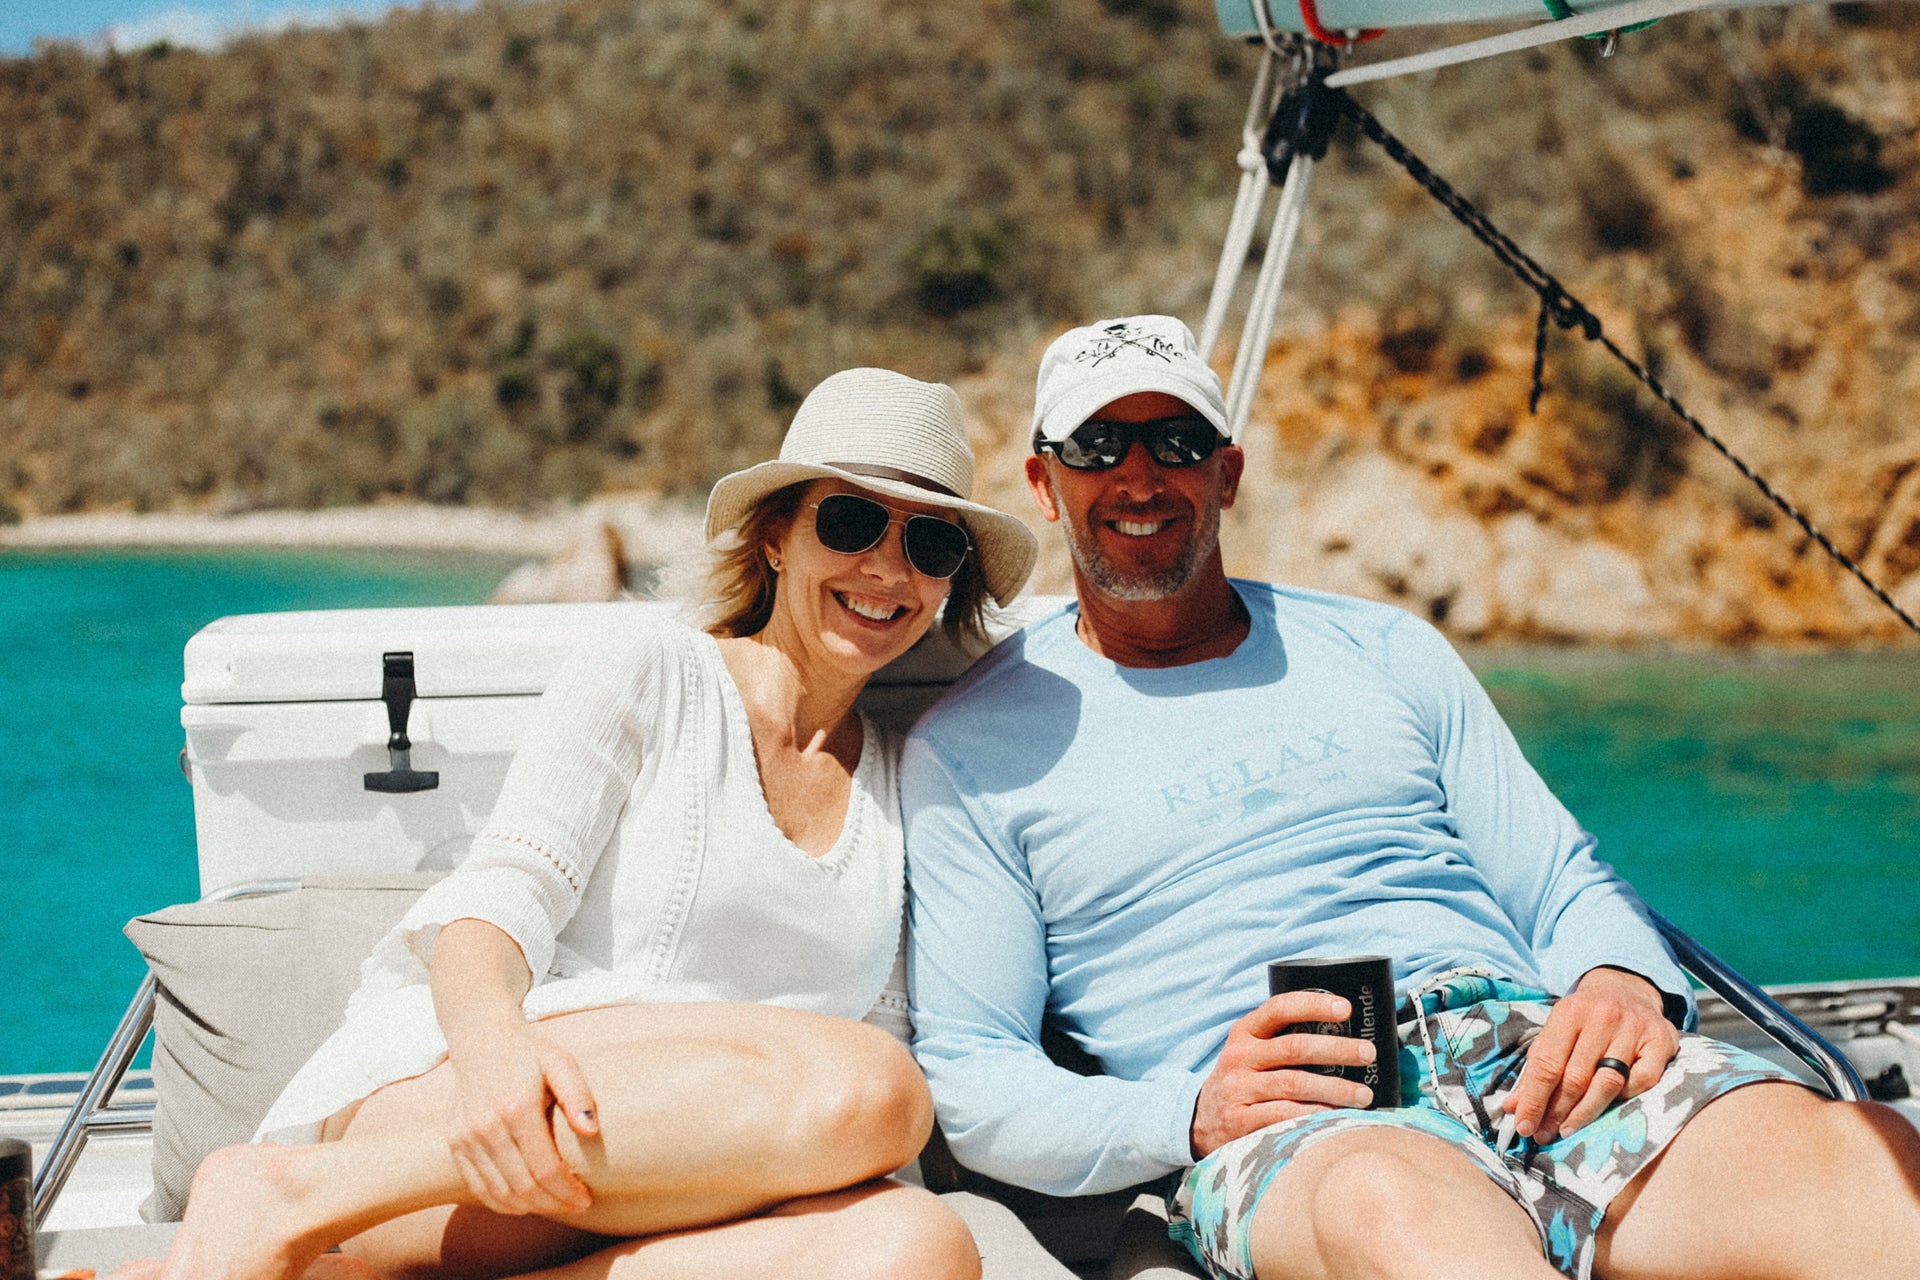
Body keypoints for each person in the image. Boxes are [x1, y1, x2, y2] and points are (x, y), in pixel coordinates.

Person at [902, 315, 1920, 1280]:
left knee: (1854, 1158)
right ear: (1043, 481)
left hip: (1529, 1051)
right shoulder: (971, 746)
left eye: (1175, 440)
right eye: (1095, 444)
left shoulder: (1388, 648)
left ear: (1228, 472)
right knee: (1394, 1204)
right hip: (1299, 1125)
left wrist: (1622, 978)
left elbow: (1560, 878)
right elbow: (976, 1072)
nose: (1138, 474)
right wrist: (1191, 1112)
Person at [119, 367, 1039, 1280]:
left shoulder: (900, 784)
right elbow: (499, 896)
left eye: (929, 543)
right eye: (848, 523)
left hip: (681, 1200)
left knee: (919, 1246)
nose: (886, 568)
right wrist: (491, 1058)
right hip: (468, 1135)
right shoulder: (651, 667)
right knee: (875, 1089)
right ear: (774, 538)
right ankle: (285, 1195)